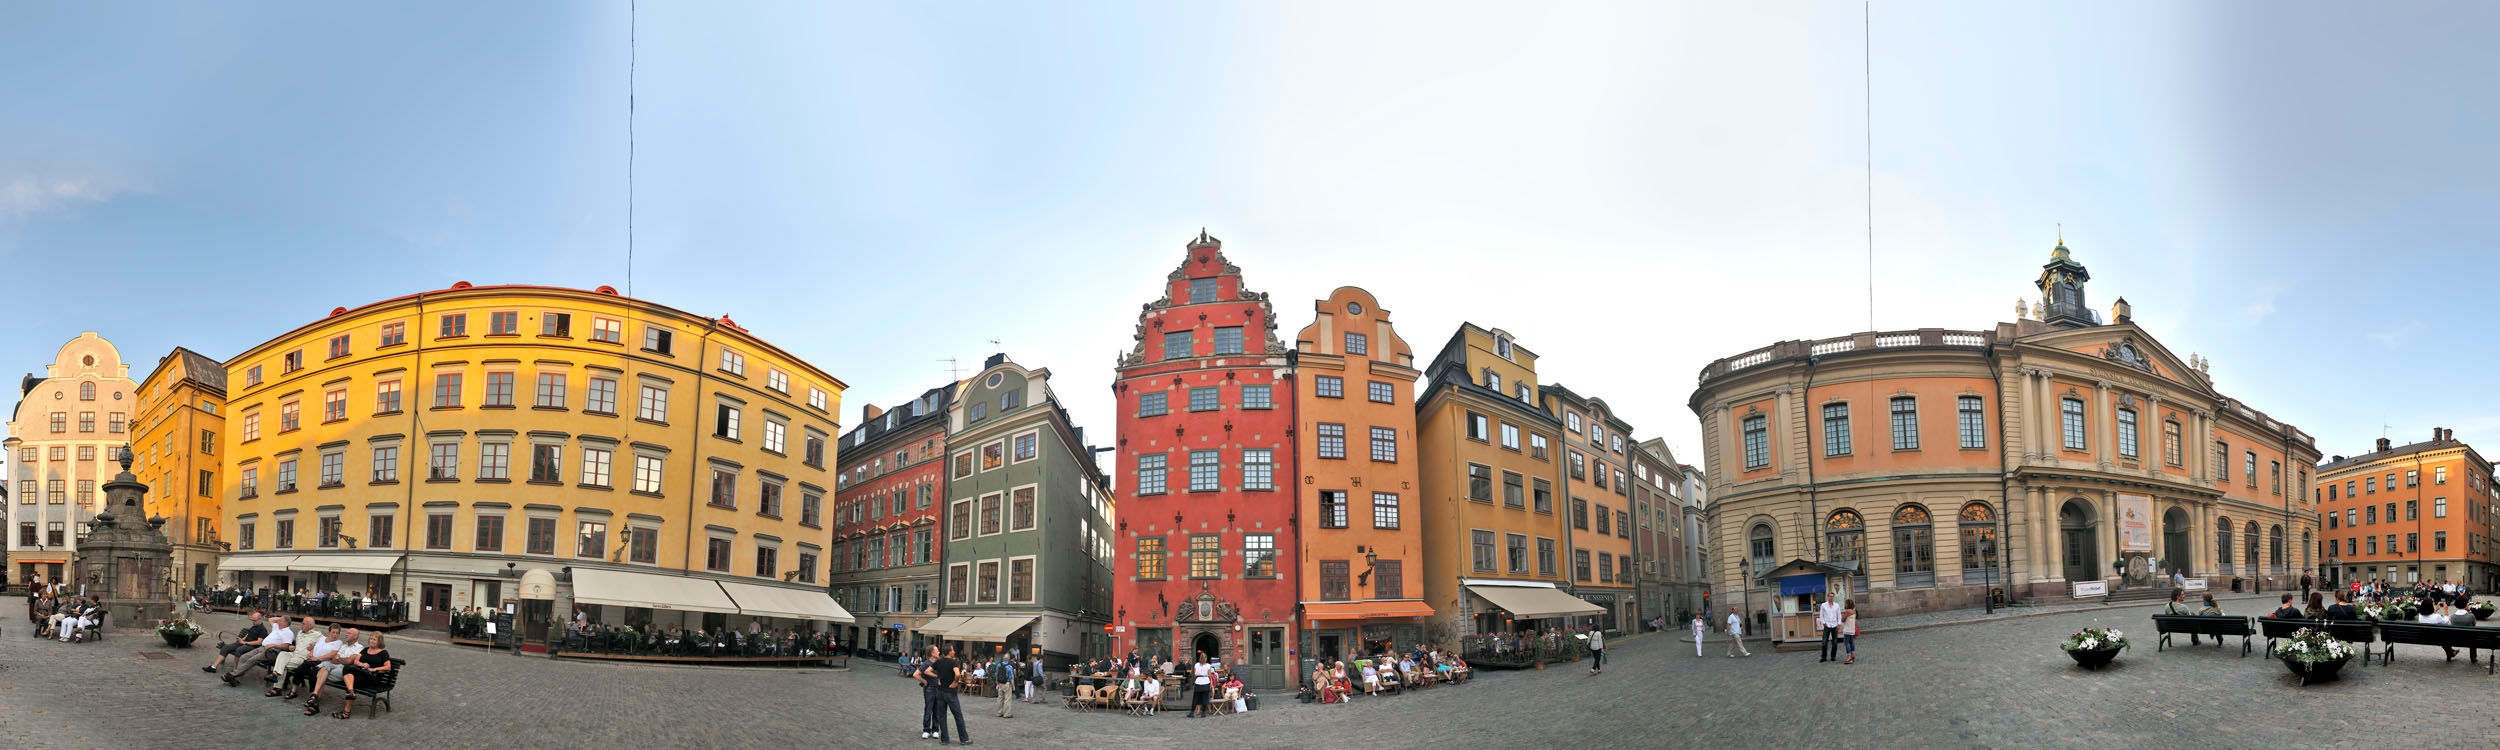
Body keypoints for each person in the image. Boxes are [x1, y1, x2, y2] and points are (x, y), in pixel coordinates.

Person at [223, 614, 297, 686]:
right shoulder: (277, 627)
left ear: (285, 623)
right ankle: (236, 679)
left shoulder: (288, 633)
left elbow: (286, 646)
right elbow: (270, 619)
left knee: (251, 660)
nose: (278, 621)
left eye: (281, 620)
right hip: (262, 647)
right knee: (244, 657)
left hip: (271, 652)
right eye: (279, 620)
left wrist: (273, 645)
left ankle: (232, 675)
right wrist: (280, 618)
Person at [919, 647, 970, 745]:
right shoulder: (953, 662)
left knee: (942, 716)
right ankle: (964, 739)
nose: (954, 651)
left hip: (940, 692)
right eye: (953, 649)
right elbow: (958, 674)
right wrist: (955, 682)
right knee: (958, 716)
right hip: (950, 692)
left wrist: (938, 677)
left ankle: (944, 739)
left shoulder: (939, 661)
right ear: (950, 652)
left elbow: (926, 671)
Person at [206, 611, 271, 675]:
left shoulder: (262, 630)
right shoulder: (254, 627)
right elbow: (247, 635)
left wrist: (245, 643)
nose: (253, 622)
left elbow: (259, 642)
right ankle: (213, 667)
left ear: (260, 619)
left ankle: (235, 670)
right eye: (252, 620)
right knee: (226, 647)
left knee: (239, 650)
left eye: (254, 620)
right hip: (244, 643)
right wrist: (241, 639)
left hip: (252, 646)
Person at [916, 646, 941, 741]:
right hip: (929, 689)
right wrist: (924, 681)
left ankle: (935, 730)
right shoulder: (926, 663)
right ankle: (926, 730)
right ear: (932, 653)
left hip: (938, 689)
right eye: (937, 651)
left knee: (937, 710)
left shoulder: (938, 663)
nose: (939, 652)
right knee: (929, 709)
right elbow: (916, 674)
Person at [1817, 594, 1844, 663]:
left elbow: (1839, 615)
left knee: (1835, 642)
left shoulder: (1836, 605)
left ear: (1834, 597)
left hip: (1835, 625)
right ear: (1827, 597)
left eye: (1832, 596)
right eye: (1830, 596)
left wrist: (1839, 623)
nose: (1831, 598)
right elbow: (1821, 615)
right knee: (1824, 642)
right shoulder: (1823, 605)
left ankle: (1833, 656)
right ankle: (1823, 657)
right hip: (1827, 625)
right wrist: (1824, 623)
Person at [1189, 651, 1215, 717]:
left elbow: (1195, 674)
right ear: (1206, 658)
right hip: (1206, 682)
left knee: (1195, 698)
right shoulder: (1208, 665)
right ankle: (1203, 712)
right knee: (1205, 698)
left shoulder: (1196, 665)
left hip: (1198, 682)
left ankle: (1192, 712)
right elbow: (1209, 675)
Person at [1840, 598, 1859, 665]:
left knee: (1846, 643)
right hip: (1852, 629)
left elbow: (1843, 619)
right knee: (1851, 642)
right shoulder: (1854, 611)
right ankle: (1852, 654)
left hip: (1847, 629)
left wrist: (1842, 615)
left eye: (1846, 603)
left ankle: (1849, 656)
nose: (1845, 604)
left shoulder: (1847, 611)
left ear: (1848, 604)